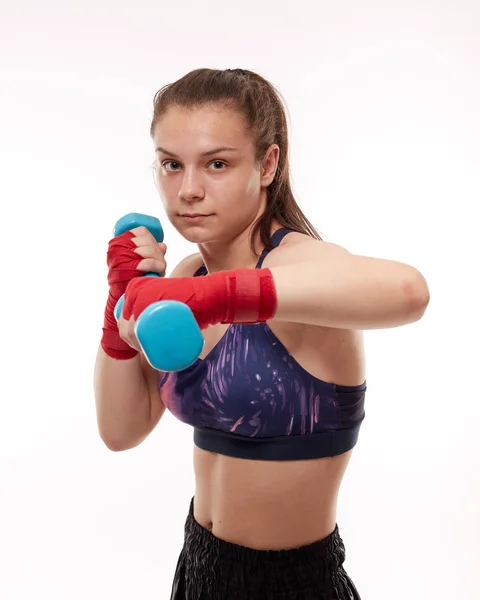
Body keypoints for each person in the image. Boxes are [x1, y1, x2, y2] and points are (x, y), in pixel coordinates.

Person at [94, 68, 430, 599]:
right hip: (196, 570)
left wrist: (220, 298)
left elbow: (410, 291)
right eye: (171, 164)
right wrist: (119, 300)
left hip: (293, 584)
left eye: (218, 164)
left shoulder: (301, 267)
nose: (188, 190)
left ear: (267, 163)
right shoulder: (184, 276)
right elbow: (120, 430)